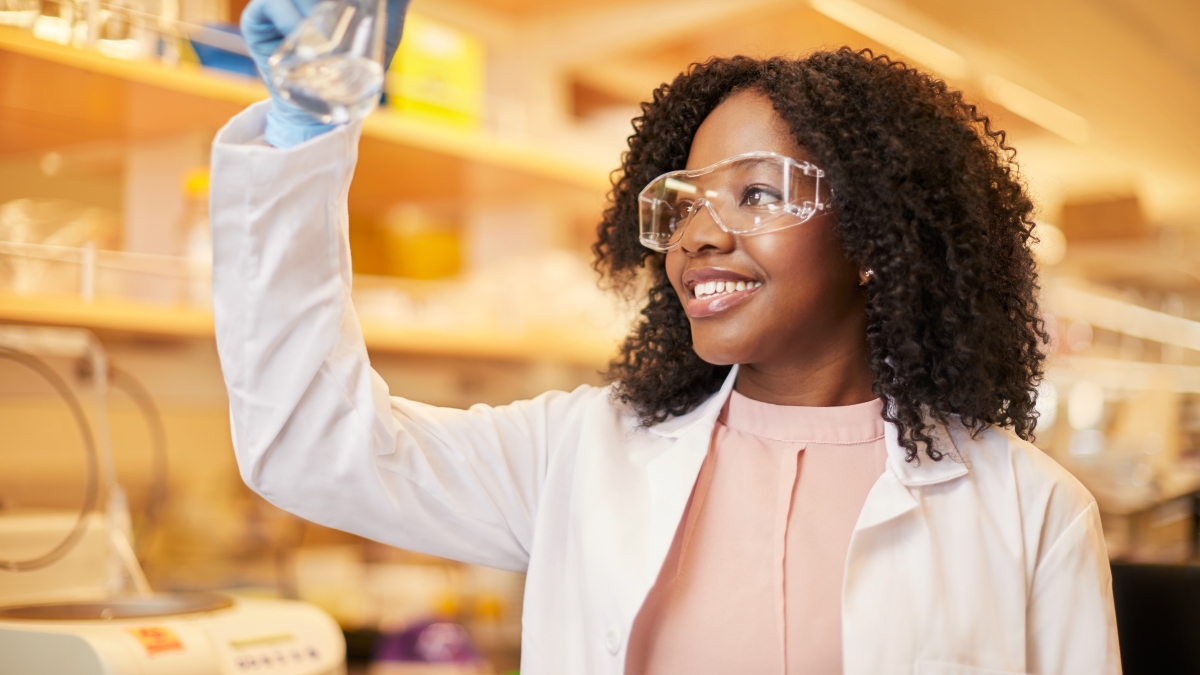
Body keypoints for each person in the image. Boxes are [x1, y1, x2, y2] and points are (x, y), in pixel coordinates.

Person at [213, 1, 1121, 673]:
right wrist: (309, 136)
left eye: (757, 194)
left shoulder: (1029, 510)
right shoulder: (582, 454)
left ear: (878, 235)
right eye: (680, 203)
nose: (697, 235)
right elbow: (309, 445)